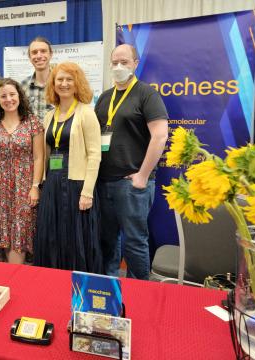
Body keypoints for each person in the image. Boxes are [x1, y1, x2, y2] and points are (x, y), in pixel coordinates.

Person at [95, 44, 169, 280]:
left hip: (132, 183)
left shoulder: (147, 94)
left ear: (135, 64)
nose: (118, 67)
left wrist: (143, 175)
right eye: (115, 62)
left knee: (135, 241)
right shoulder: (104, 97)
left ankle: (140, 290)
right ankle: (108, 286)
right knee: (107, 240)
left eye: (124, 62)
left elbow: (160, 135)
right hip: (104, 182)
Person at [34, 62, 102, 273]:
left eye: (69, 79)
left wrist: (87, 193)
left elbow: (94, 155)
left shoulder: (86, 113)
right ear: (53, 85)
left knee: (74, 239)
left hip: (77, 185)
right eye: (59, 80)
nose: (64, 84)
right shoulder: (49, 115)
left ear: (77, 83)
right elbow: (45, 153)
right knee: (52, 235)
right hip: (53, 183)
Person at [0, 78, 44, 264]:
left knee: (20, 232)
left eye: (12, 94)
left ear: (19, 96)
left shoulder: (32, 122)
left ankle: (17, 278)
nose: (8, 99)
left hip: (24, 188)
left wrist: (35, 186)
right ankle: (6, 278)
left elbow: (39, 157)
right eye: (3, 96)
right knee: (3, 233)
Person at [21, 36, 54, 123]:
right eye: (34, 52)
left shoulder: (61, 84)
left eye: (43, 51)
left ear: (51, 54)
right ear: (29, 57)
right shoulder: (22, 86)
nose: (39, 56)